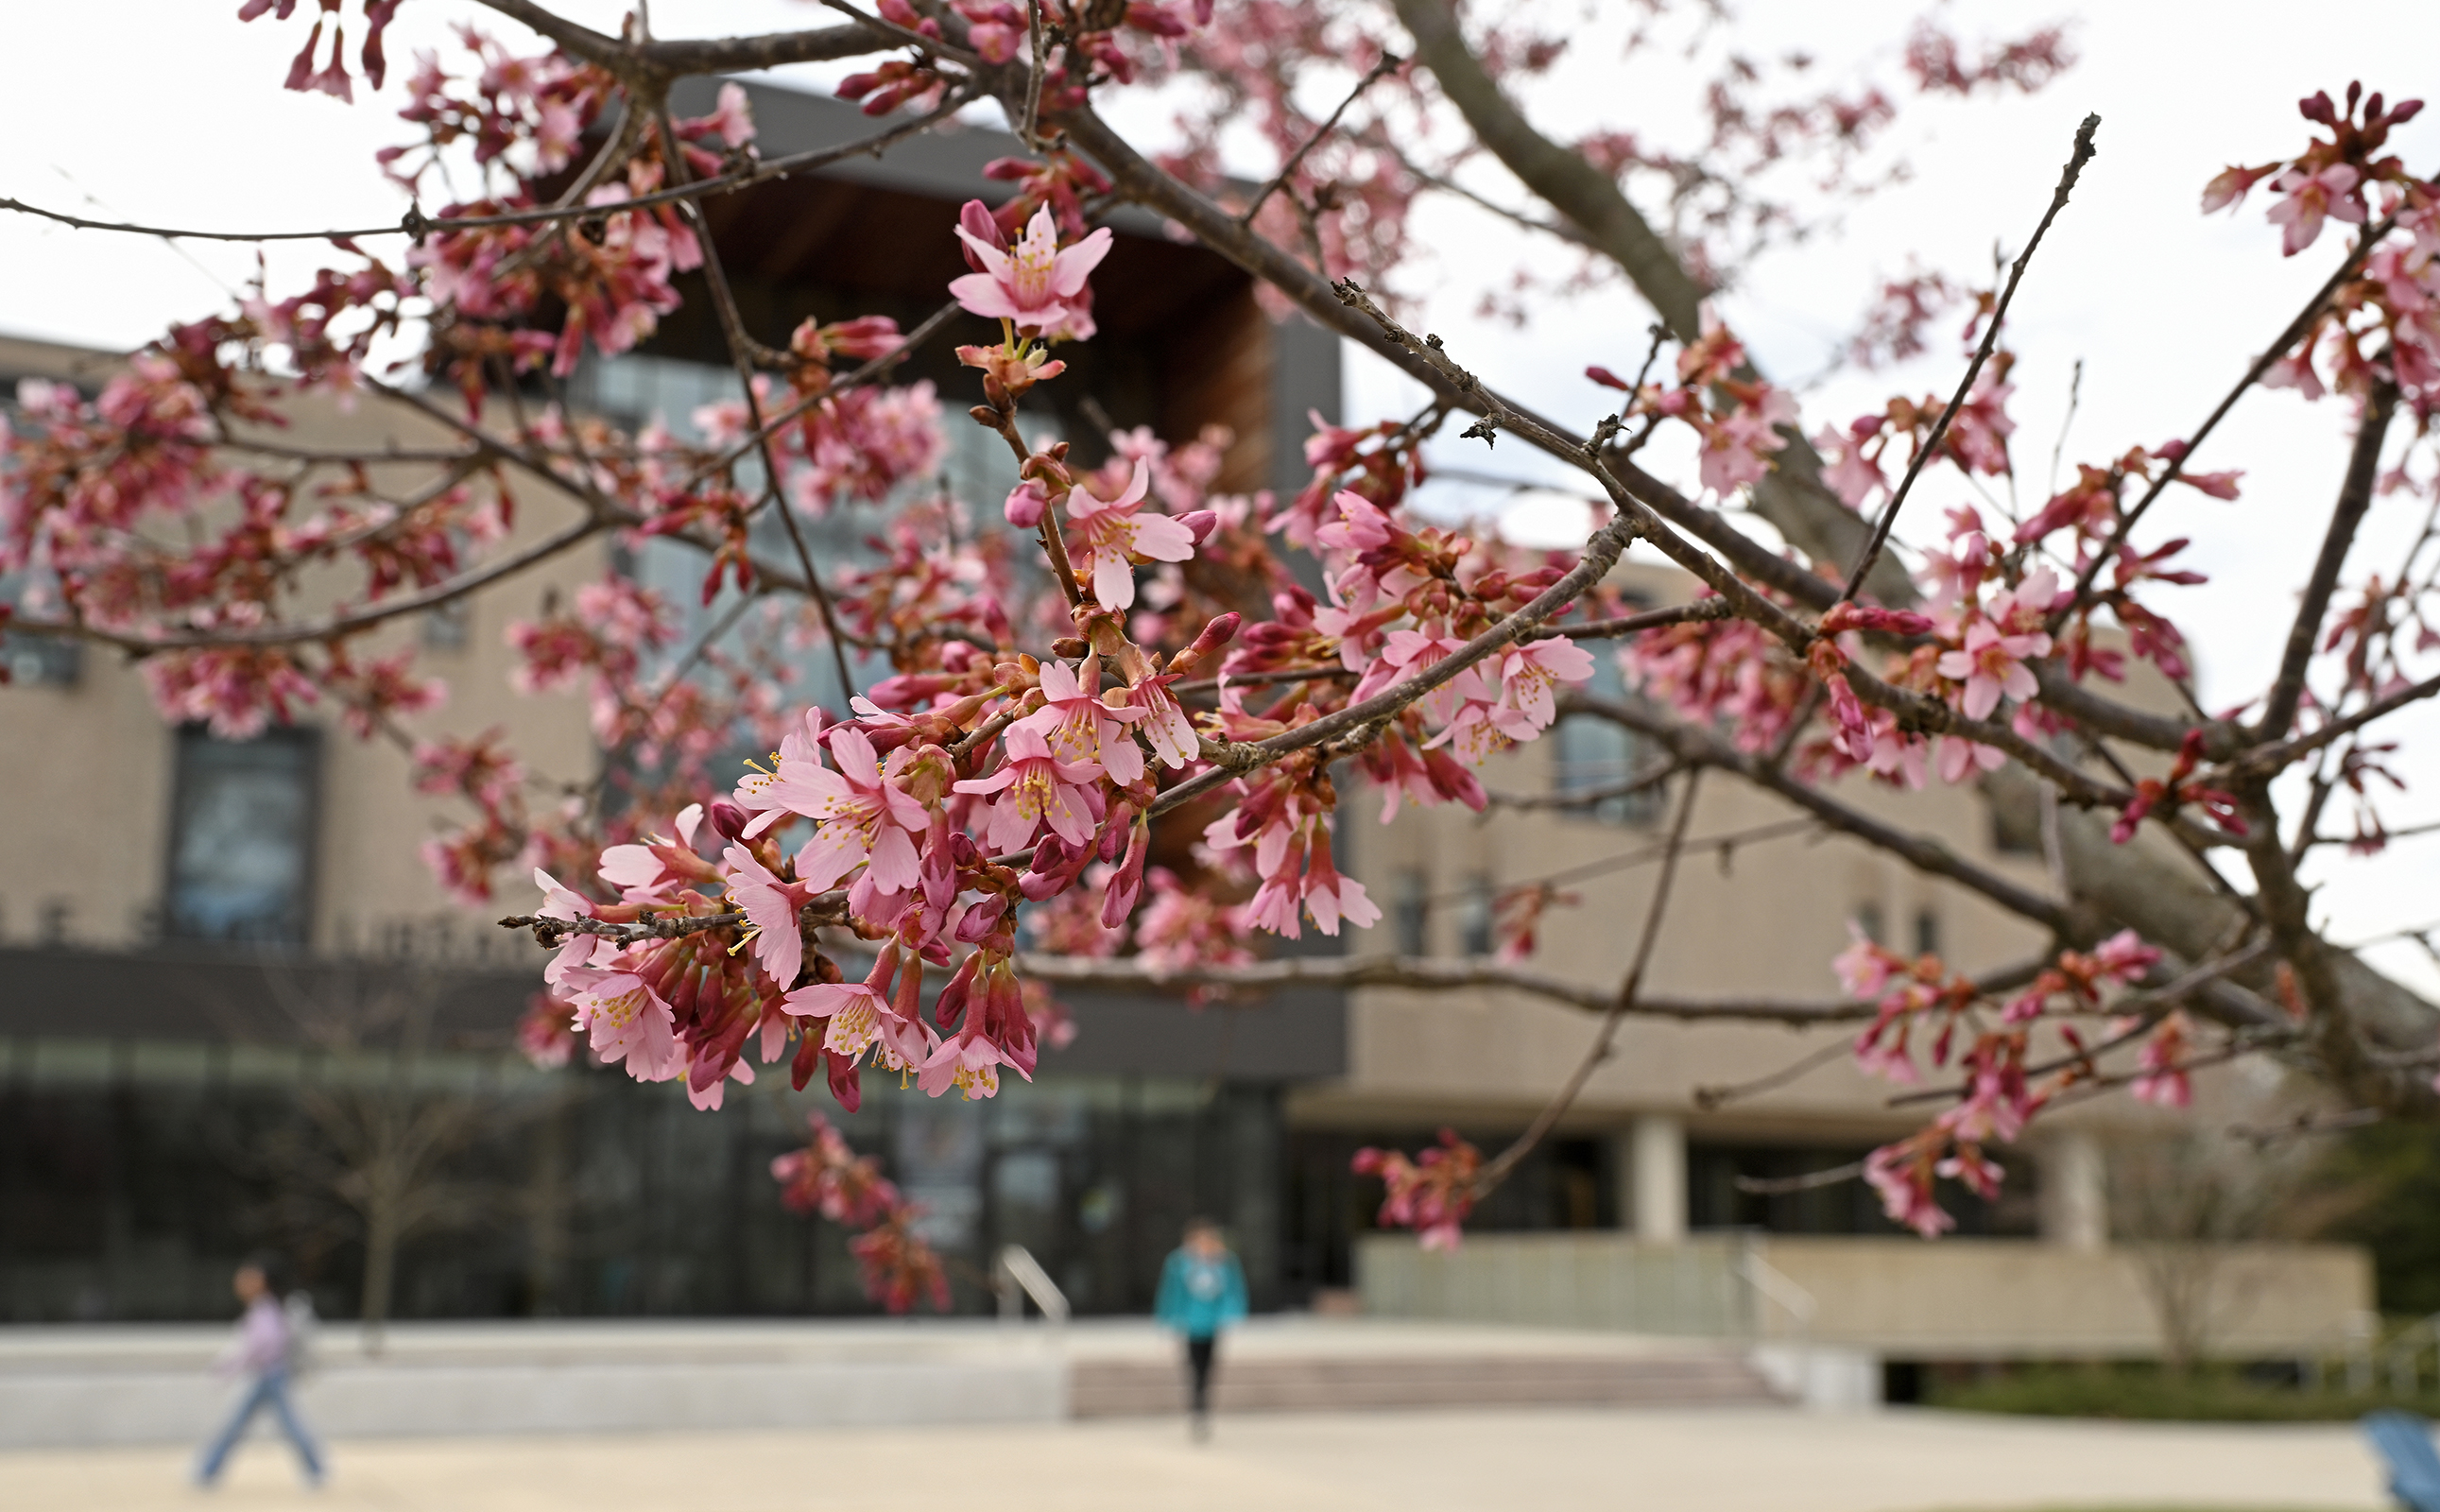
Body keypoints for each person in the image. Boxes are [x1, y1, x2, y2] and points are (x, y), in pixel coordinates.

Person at [193, 1254, 325, 1489]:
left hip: (269, 1376)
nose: (241, 1282)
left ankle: (207, 1471)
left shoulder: (266, 1309)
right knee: (265, 1423)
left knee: (243, 1424)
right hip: (272, 1375)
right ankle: (208, 1470)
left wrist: (227, 1369)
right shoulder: (271, 1307)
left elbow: (259, 1346)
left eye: (249, 1277)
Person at [1153, 1217, 1246, 1439]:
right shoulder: (1178, 1263)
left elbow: (1233, 1292)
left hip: (1212, 1324)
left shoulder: (1224, 1262)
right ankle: (1198, 1407)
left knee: (1208, 1368)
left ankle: (1202, 1407)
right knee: (1194, 1367)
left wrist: (1230, 1316)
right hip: (1191, 1324)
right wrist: (1168, 1320)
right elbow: (1171, 1293)